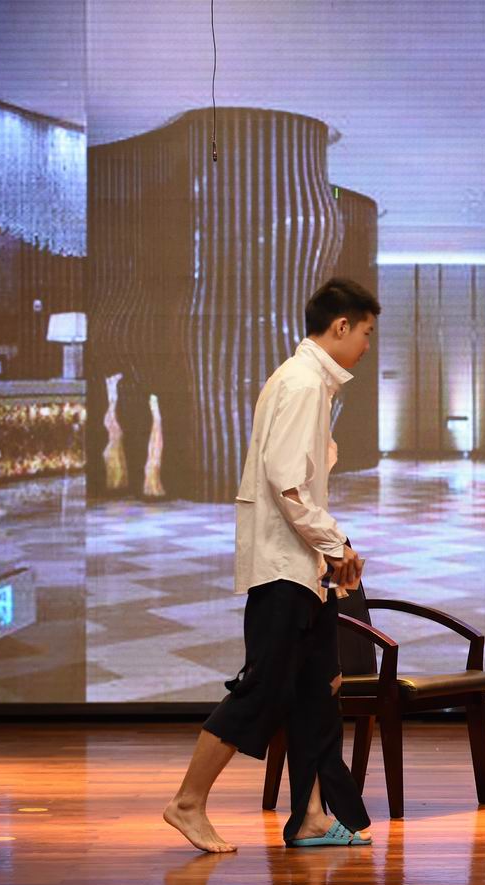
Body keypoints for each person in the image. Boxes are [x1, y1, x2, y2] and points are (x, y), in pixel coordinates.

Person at [163, 277, 380, 852]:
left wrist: (330, 553)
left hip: (303, 570)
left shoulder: (307, 380)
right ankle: (187, 801)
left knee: (318, 690)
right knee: (262, 689)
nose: (366, 345)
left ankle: (310, 817)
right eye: (365, 333)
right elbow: (288, 485)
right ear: (340, 326)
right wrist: (337, 544)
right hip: (286, 569)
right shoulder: (304, 383)